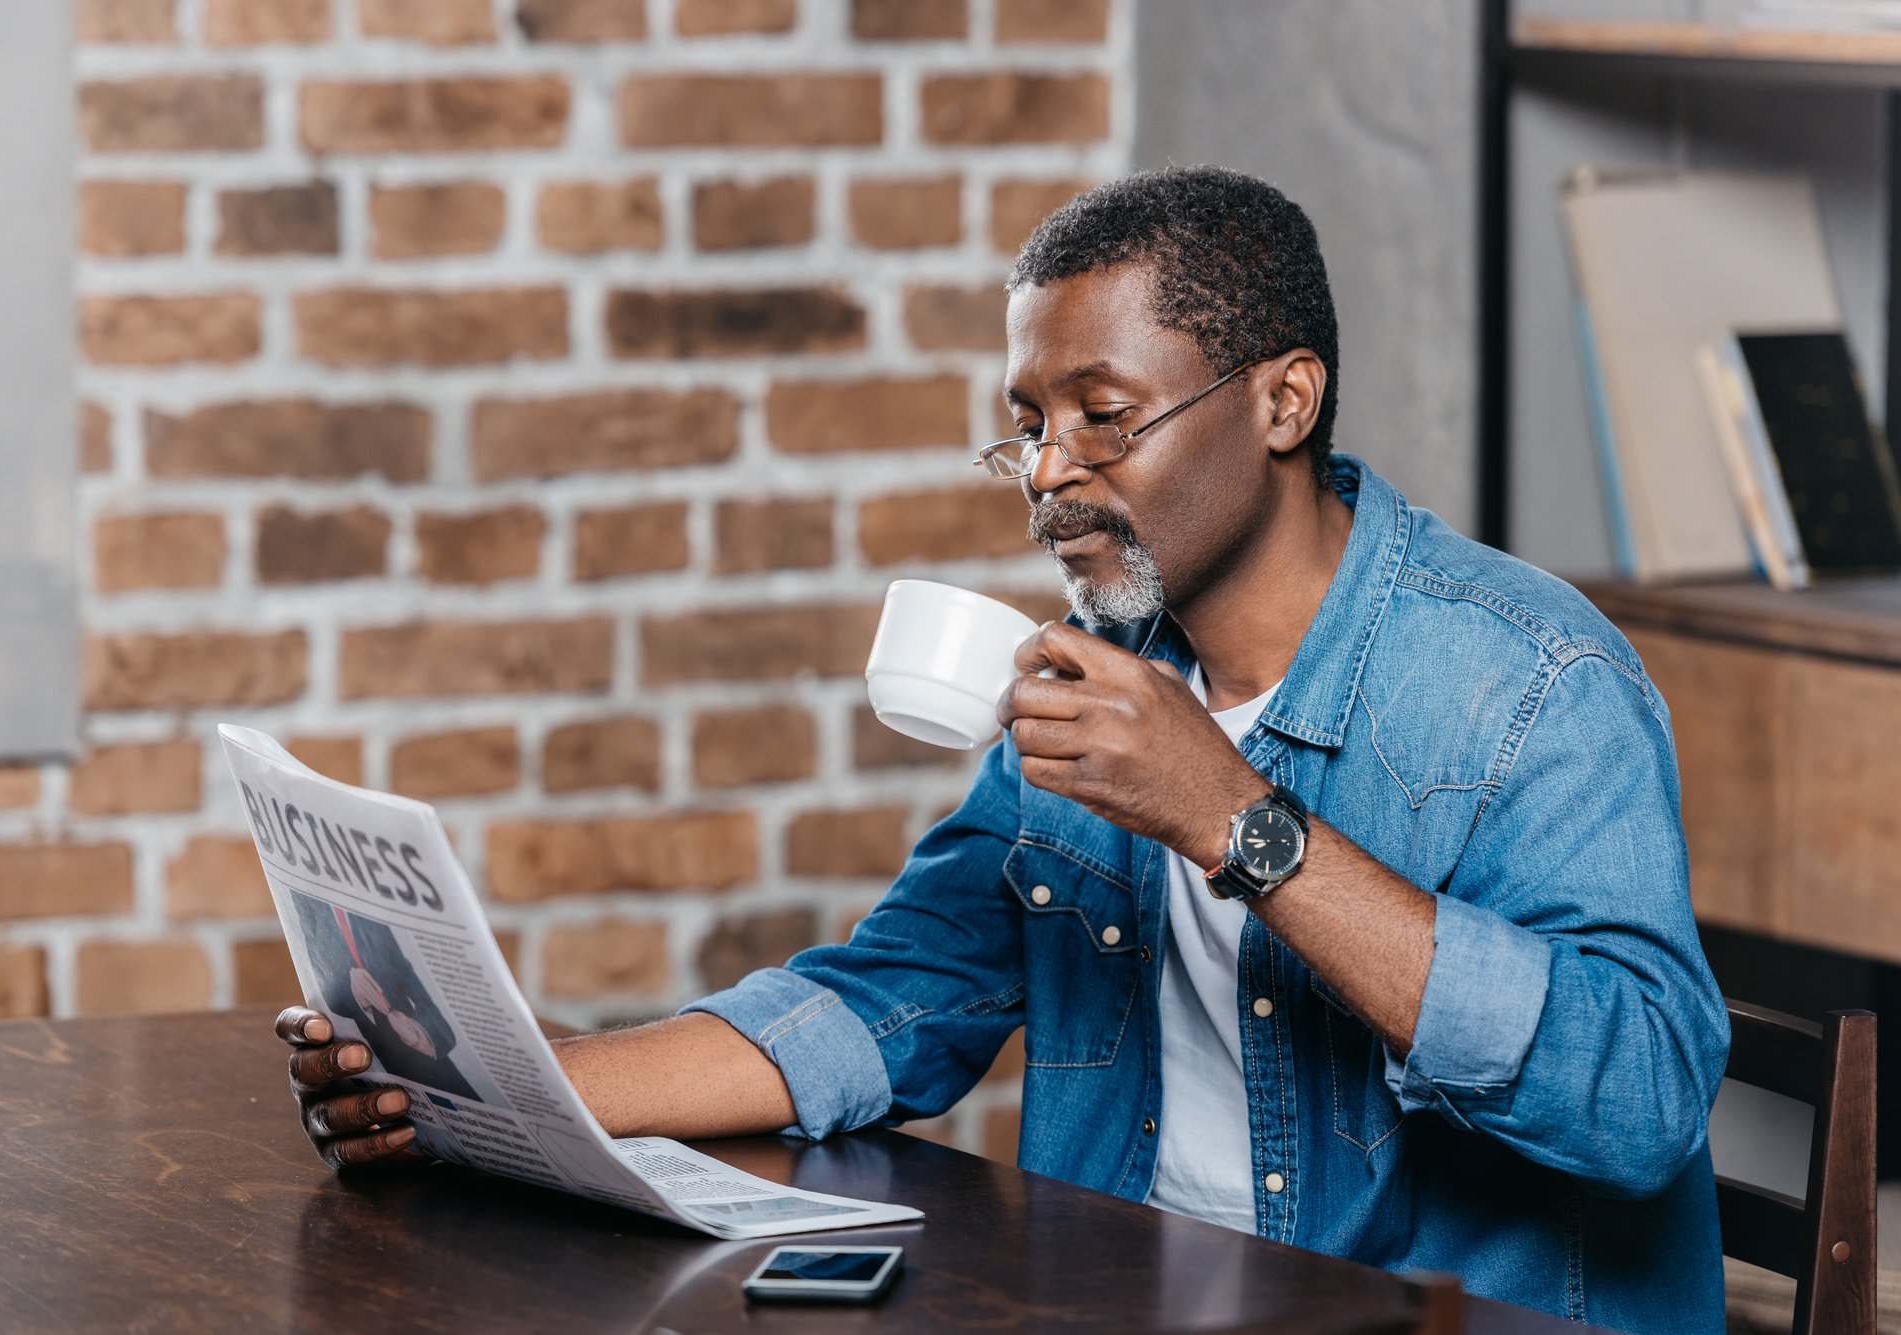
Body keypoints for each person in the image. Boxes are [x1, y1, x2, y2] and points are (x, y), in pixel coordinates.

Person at [278, 167, 1729, 1335]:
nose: (1048, 475)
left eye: (1104, 417)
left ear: (1285, 402)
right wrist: (495, 1099)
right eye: (1026, 428)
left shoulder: (1529, 684)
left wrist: (1235, 819)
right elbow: (893, 999)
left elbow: (1643, 1100)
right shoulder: (1105, 680)